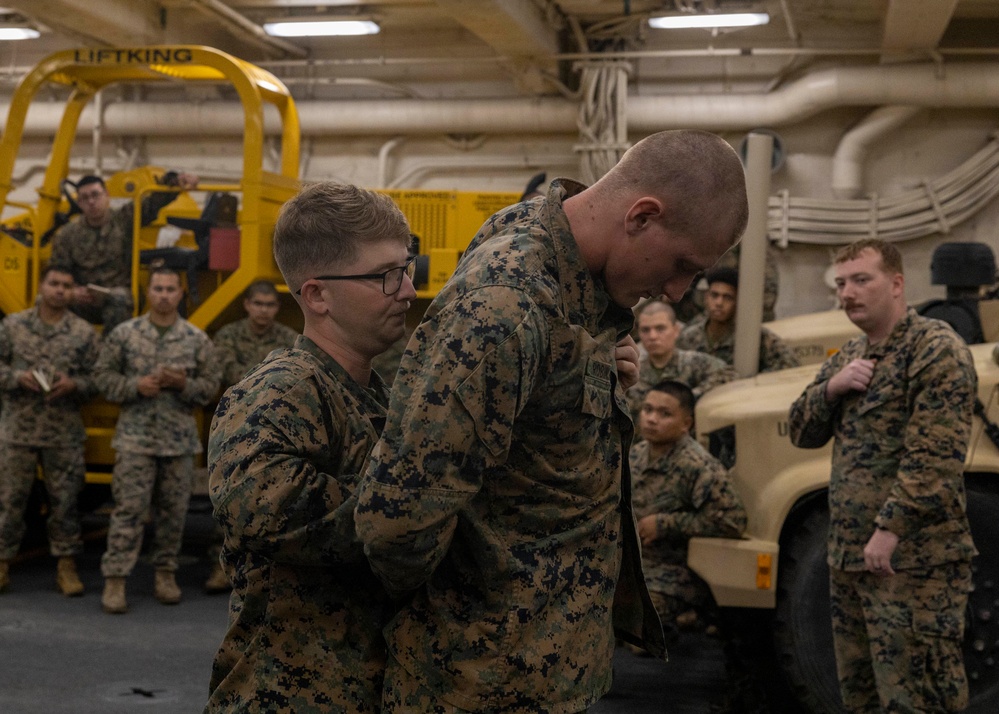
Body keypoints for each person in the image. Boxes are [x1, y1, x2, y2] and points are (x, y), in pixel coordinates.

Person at [354, 129, 749, 712]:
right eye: (683, 265)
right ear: (641, 216)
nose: (677, 290)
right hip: (484, 674)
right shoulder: (506, 303)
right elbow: (398, 521)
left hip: (546, 659)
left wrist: (593, 365)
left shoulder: (579, 278)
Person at [205, 182, 416, 712]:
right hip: (291, 695)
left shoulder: (369, 392)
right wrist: (428, 500)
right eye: (386, 276)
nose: (408, 290)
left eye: (408, 269)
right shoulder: (280, 392)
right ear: (317, 295)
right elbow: (268, 511)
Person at [788, 238, 977, 712]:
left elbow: (935, 457)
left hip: (913, 563)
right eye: (841, 283)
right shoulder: (850, 355)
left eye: (861, 280)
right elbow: (800, 430)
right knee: (861, 697)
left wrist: (890, 531)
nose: (848, 293)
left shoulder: (935, 350)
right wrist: (830, 389)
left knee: (918, 697)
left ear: (896, 284)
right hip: (850, 560)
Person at [94, 267, 220, 614]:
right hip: (135, 439)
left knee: (173, 513)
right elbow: (102, 378)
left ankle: (166, 574)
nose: (164, 295)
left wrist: (184, 386)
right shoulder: (125, 334)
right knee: (128, 511)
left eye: (170, 289)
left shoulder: (196, 339)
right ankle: (115, 580)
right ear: (148, 292)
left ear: (180, 295)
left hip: (178, 442)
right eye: (158, 288)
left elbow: (211, 388)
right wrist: (134, 386)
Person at [0, 265, 99, 595]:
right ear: (41, 286)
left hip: (63, 431)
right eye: (54, 283)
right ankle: (2, 563)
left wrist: (75, 384)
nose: (60, 290)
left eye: (67, 285)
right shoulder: (13, 326)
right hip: (19, 431)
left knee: (66, 502)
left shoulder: (83, 332)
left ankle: (66, 567)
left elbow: (97, 379)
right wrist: (16, 378)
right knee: (10, 501)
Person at [202, 280, 298, 594]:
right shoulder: (228, 335)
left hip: (274, 431)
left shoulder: (288, 339)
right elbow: (229, 374)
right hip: (234, 430)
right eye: (258, 304)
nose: (263, 311)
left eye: (269, 305)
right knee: (227, 498)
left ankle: (262, 571)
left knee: (269, 500)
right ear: (246, 304)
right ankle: (221, 567)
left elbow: (293, 378)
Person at [631, 380, 747, 630]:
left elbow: (731, 520)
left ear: (686, 424)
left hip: (674, 573)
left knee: (635, 611)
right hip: (633, 565)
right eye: (647, 410)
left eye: (665, 414)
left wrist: (665, 525)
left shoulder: (697, 465)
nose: (652, 419)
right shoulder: (634, 456)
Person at [50, 171, 199, 332]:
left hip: (121, 296)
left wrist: (175, 180)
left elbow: (153, 202)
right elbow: (57, 271)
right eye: (85, 198)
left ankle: (112, 352)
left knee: (119, 299)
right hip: (84, 300)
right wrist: (72, 292)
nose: (91, 202)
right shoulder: (67, 234)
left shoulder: (124, 219)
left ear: (107, 195)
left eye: (95, 195)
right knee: (48, 299)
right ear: (79, 202)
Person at [627, 300, 737, 423]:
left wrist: (687, 398)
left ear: (676, 330)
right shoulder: (633, 371)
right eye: (645, 330)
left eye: (660, 328)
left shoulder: (694, 363)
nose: (652, 336)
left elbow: (730, 375)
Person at [676, 266, 798, 373]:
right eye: (714, 295)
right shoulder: (689, 337)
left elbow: (790, 364)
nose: (719, 303)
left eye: (727, 297)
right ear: (706, 298)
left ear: (737, 302)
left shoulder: (754, 338)